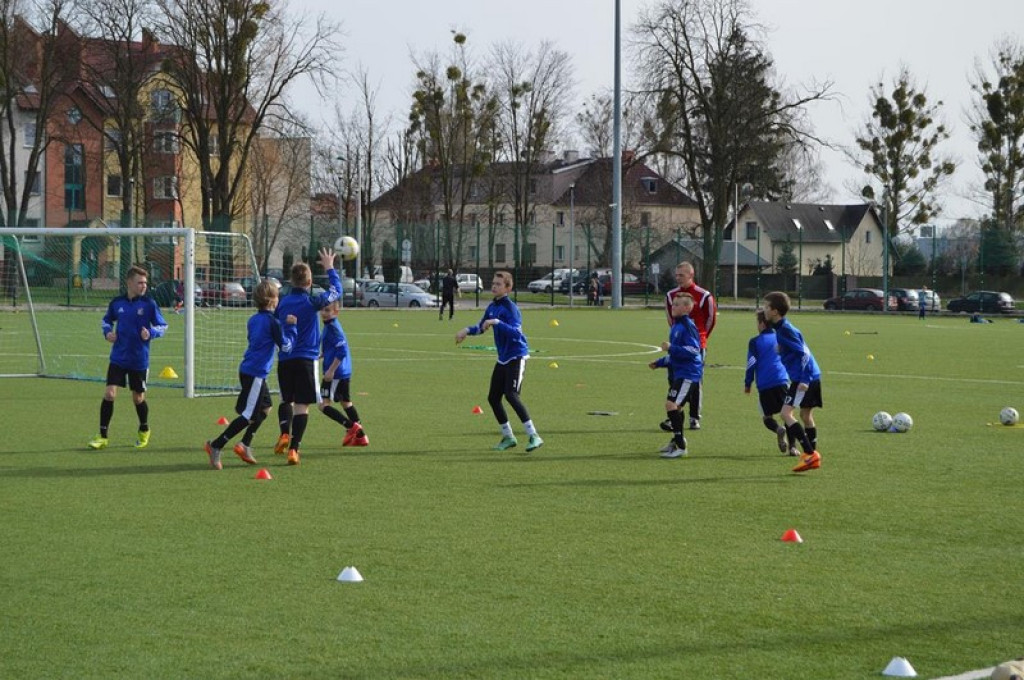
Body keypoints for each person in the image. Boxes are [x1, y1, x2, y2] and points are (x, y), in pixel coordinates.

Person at [204, 281, 298, 469]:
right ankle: (216, 445)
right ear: (272, 300)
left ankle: (245, 444)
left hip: (248, 369)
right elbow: (286, 347)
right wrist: (292, 328)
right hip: (256, 373)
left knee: (265, 408)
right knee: (248, 415)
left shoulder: (254, 319)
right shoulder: (273, 322)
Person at [455, 271, 543, 452]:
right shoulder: (492, 306)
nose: (494, 286)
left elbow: (516, 333)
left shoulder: (511, 308)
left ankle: (534, 435)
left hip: (516, 356)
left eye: (498, 284)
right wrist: (466, 330)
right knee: (493, 398)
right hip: (503, 358)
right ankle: (508, 436)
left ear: (508, 288)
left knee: (511, 395)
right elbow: (481, 327)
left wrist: (496, 322)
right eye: (493, 283)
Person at [273, 247, 343, 465]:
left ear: (291, 281)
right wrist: (330, 268)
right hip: (306, 359)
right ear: (310, 282)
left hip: (285, 358)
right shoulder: (312, 302)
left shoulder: (282, 303)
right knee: (302, 405)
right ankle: (294, 449)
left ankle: (284, 433)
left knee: (286, 399)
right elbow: (337, 291)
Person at [88, 265, 167, 450]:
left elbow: (163, 326)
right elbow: (106, 320)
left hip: (139, 359)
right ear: (129, 283)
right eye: (140, 282)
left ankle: (144, 429)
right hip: (118, 357)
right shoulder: (117, 303)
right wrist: (108, 332)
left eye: (145, 283)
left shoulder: (149, 304)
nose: (144, 286)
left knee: (138, 398)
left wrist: (151, 333)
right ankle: (102, 436)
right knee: (109, 394)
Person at [761, 291, 822, 473]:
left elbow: (804, 353)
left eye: (766, 307)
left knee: (785, 414)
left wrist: (804, 379)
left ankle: (810, 454)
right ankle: (810, 457)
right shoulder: (782, 328)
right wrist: (782, 350)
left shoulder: (785, 330)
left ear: (775, 311)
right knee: (805, 415)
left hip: (804, 377)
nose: (764, 310)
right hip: (812, 375)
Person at [663, 261, 716, 430]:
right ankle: (675, 415)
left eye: (682, 275)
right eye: (676, 275)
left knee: (695, 381)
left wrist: (701, 338)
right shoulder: (671, 295)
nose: (678, 278)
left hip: (697, 345)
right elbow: (670, 318)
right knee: (674, 379)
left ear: (691, 275)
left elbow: (710, 319)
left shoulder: (704, 295)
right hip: (677, 345)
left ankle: (694, 417)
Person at [649, 293, 703, 458]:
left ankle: (681, 447)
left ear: (687, 308)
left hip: (689, 373)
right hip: (680, 373)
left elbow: (694, 350)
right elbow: (675, 355)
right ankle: (676, 441)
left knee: (671, 405)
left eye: (677, 304)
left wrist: (671, 347)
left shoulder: (687, 325)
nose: (673, 307)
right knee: (676, 407)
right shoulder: (676, 326)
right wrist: (660, 362)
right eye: (673, 304)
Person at [317, 300, 369, 446]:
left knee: (323, 405)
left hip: (336, 373)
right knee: (346, 403)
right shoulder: (329, 325)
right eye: (322, 310)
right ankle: (361, 437)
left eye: (328, 310)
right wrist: (323, 354)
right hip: (343, 371)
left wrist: (331, 370)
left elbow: (342, 351)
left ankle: (351, 427)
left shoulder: (333, 327)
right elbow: (333, 347)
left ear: (336, 312)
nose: (324, 313)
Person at [744, 310, 792, 455]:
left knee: (767, 417)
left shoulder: (755, 341)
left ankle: (778, 429)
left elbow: (751, 362)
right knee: (788, 415)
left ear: (762, 324)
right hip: (782, 380)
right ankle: (793, 447)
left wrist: (748, 383)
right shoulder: (780, 337)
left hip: (765, 384)